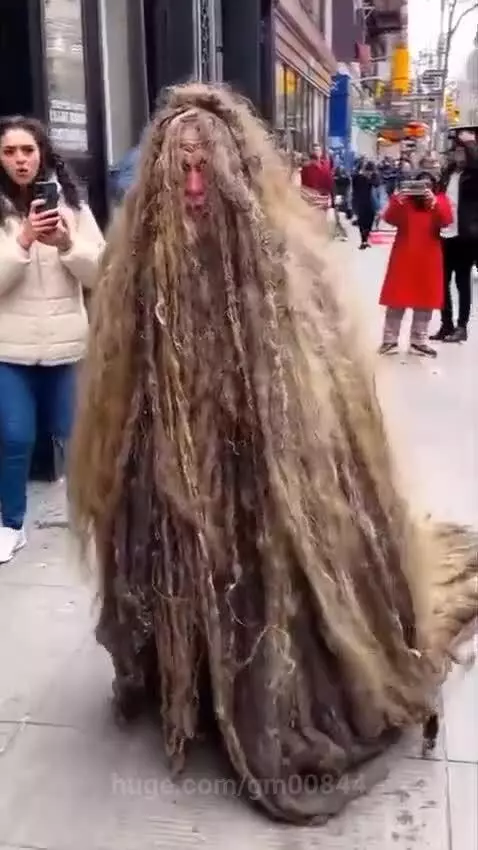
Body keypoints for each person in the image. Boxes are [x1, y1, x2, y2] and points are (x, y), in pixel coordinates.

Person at [68, 83, 476, 825]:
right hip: (167, 470)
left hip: (270, 483)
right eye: (179, 170)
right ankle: (185, 675)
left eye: (206, 170)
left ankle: (260, 689)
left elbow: (330, 390)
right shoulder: (139, 262)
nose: (193, 186)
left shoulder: (282, 260)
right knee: (173, 569)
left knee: (264, 591)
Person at [0, 115, 104, 563]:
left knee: (78, 438)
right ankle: (10, 524)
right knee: (14, 438)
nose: (20, 160)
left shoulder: (73, 206)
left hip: (67, 347)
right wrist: (22, 240)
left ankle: (96, 520)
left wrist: (66, 244)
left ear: (42, 154)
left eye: (28, 150)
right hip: (10, 350)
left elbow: (100, 272)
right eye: (9, 152)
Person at [378, 172, 453, 357]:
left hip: (429, 258)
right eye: (419, 184)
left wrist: (433, 203)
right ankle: (390, 340)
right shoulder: (405, 203)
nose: (423, 189)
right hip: (404, 255)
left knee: (425, 302)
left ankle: (418, 341)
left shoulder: (440, 200)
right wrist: (398, 201)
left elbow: (446, 221)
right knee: (396, 300)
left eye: (428, 184)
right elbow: (389, 218)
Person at [430, 129, 478, 343]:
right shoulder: (448, 174)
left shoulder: (473, 175)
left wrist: (470, 144)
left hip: (465, 236)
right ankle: (446, 323)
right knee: (442, 282)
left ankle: (462, 326)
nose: (458, 156)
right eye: (456, 152)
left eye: (462, 152)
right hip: (444, 234)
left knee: (462, 282)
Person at [352, 160, 378, 248]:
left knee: (369, 221)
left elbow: (377, 183)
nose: (369, 173)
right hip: (360, 202)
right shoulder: (357, 177)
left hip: (370, 202)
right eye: (368, 171)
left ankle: (365, 239)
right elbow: (354, 183)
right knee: (362, 222)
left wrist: (371, 176)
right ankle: (363, 240)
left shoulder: (372, 178)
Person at [300, 145, 334, 212]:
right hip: (311, 197)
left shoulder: (326, 164)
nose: (316, 152)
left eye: (318, 150)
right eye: (314, 150)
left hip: (324, 197)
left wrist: (331, 196)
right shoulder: (306, 167)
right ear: (311, 152)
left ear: (321, 152)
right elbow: (302, 183)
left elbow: (330, 180)